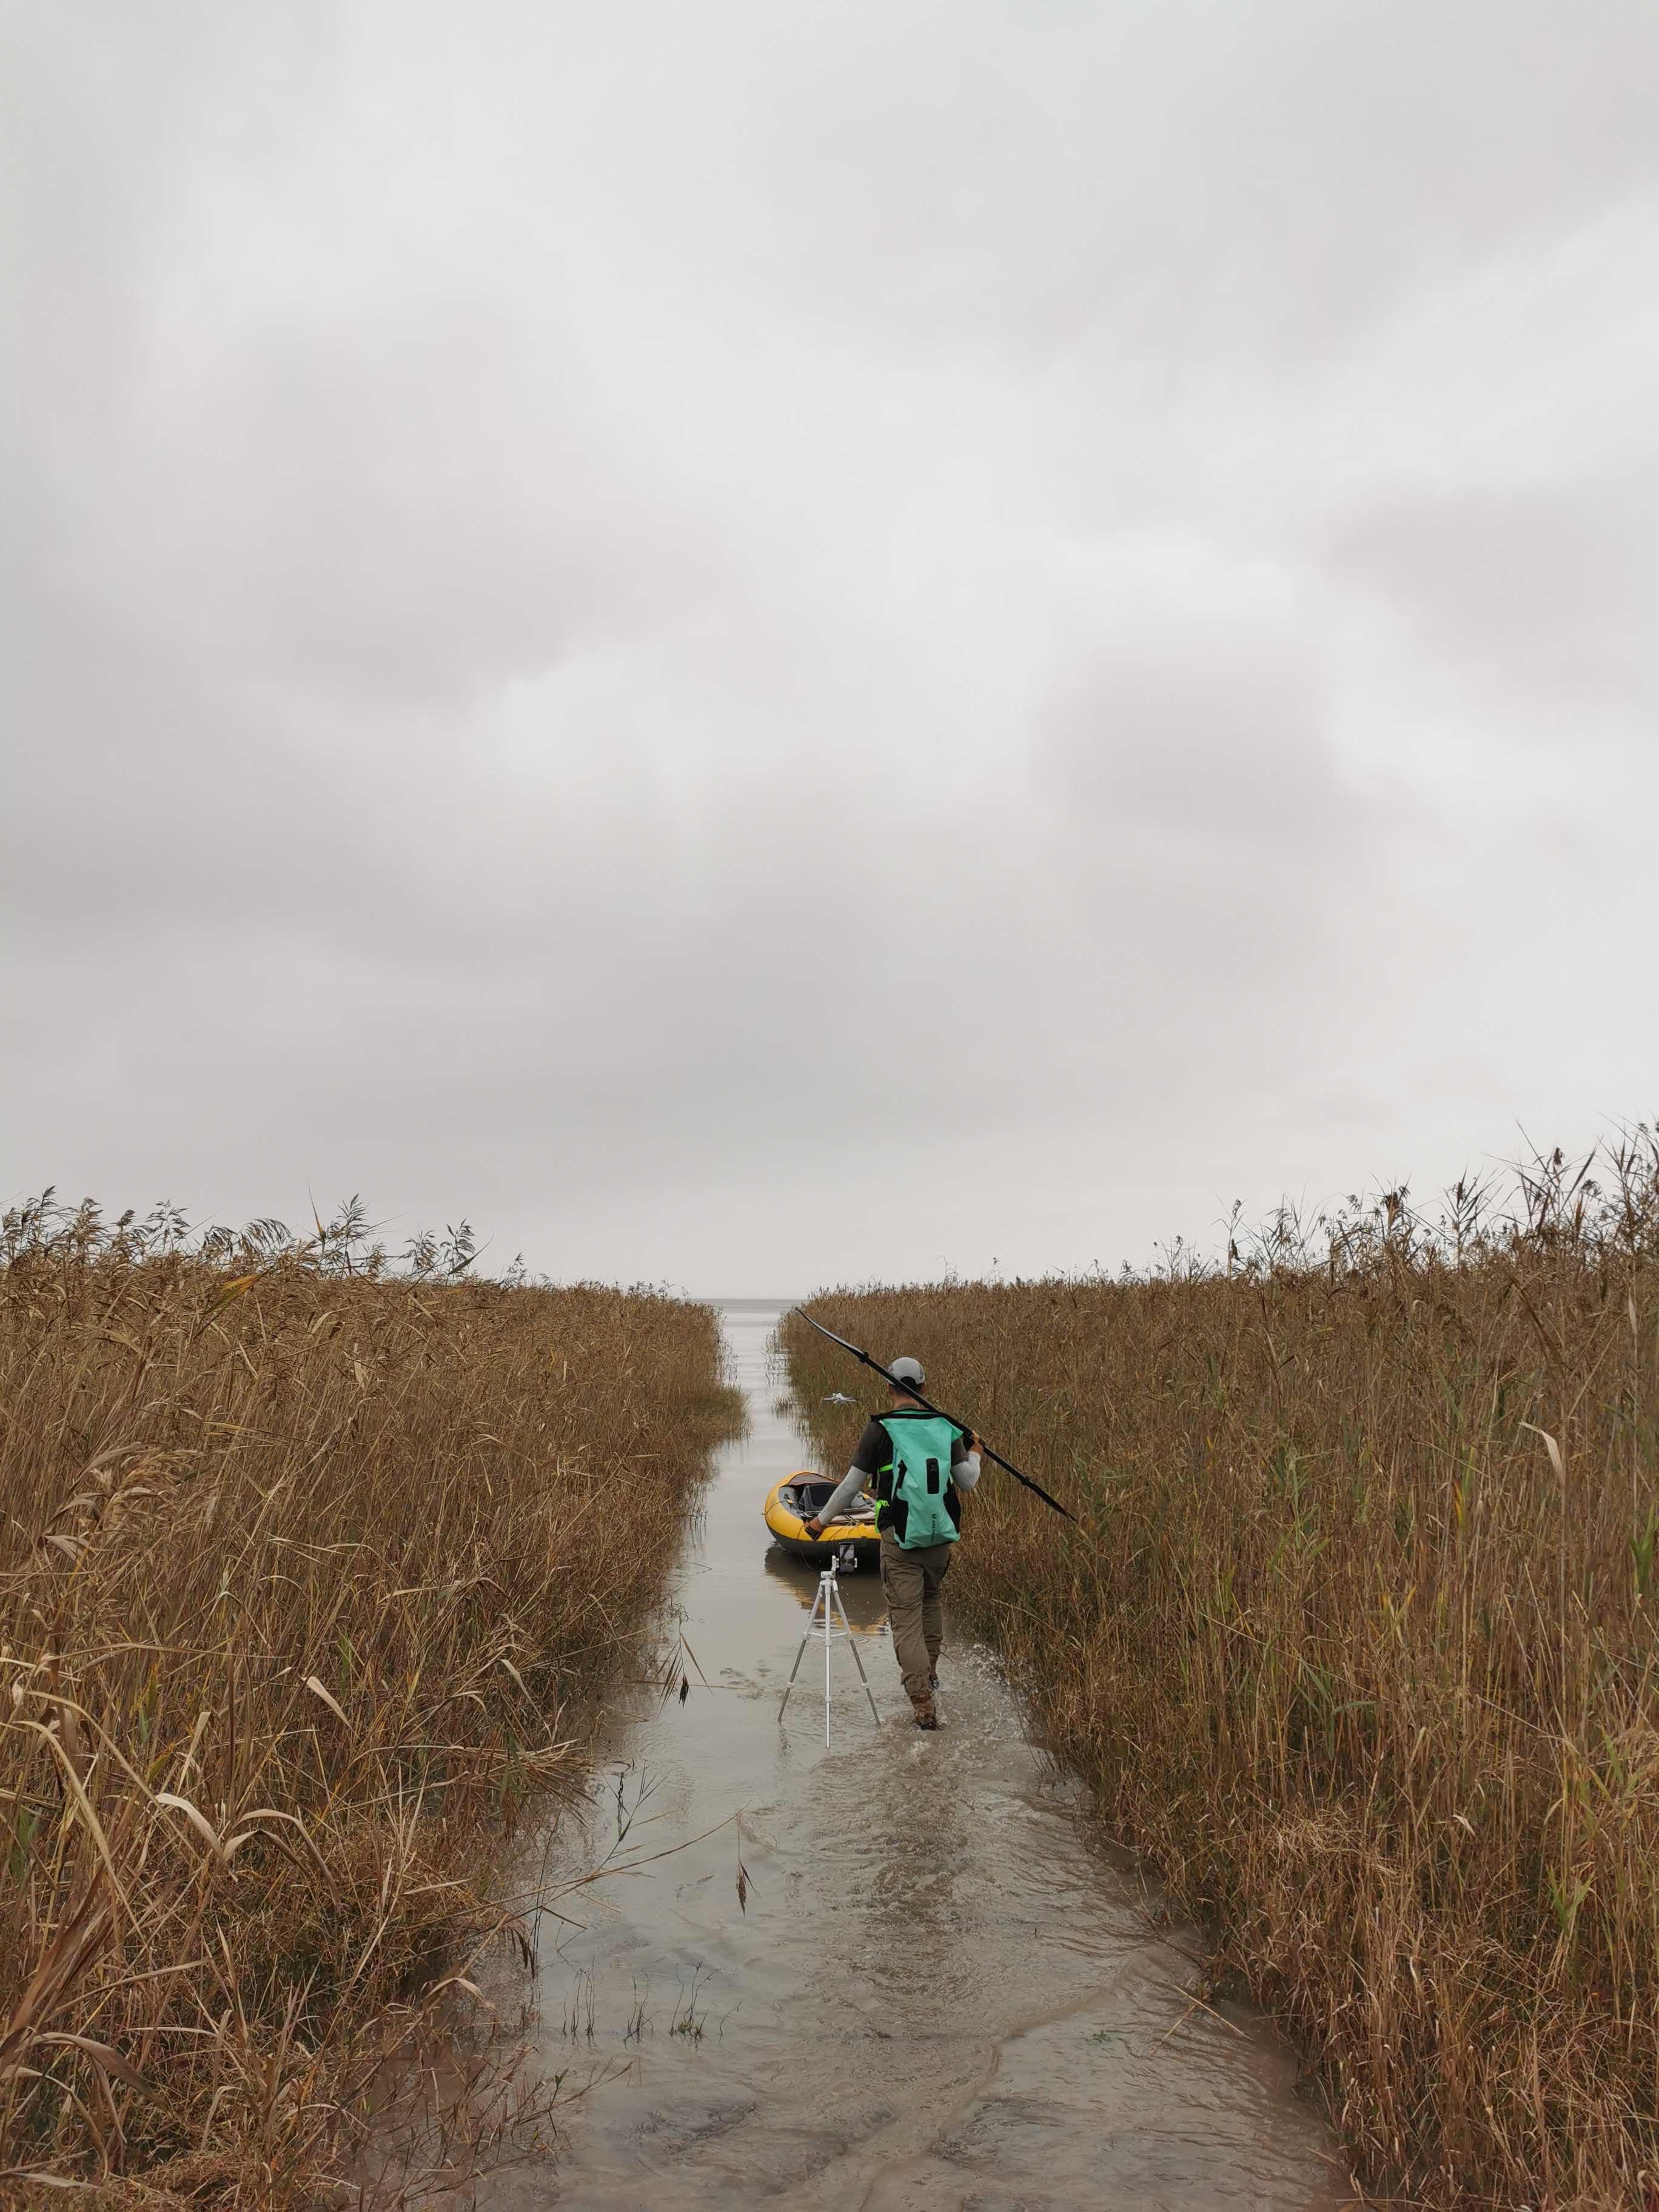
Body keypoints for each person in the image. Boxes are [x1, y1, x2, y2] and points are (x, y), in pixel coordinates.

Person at [805, 1355, 980, 1729]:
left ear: (889, 1388)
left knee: (905, 1619)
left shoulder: (880, 1430)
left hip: (899, 1540)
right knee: (931, 1604)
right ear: (923, 1388)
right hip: (940, 1539)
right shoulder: (946, 1427)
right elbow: (967, 1482)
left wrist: (821, 1521)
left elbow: (851, 1487)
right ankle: (930, 1676)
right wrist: (976, 1450)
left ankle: (922, 1704)